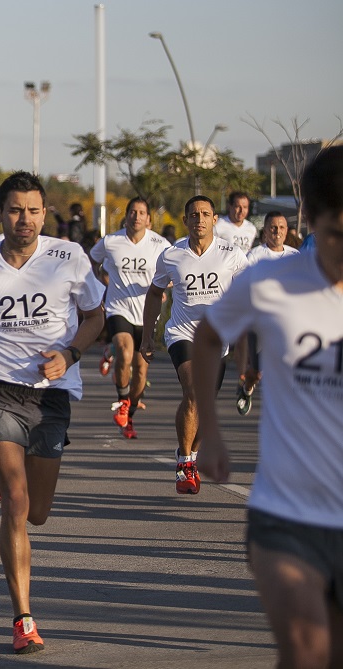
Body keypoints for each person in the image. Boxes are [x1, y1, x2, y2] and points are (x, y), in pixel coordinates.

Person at [0, 172, 104, 654]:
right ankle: (23, 618)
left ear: (45, 212)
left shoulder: (68, 257)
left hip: (52, 392)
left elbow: (95, 316)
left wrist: (69, 355)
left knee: (39, 513)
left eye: (33, 210)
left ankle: (13, 487)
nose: (25, 219)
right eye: (15, 210)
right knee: (16, 501)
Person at [193, 145, 343, 669]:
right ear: (310, 221)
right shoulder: (270, 282)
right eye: (336, 236)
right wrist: (209, 431)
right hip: (287, 513)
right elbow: (208, 338)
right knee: (306, 651)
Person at [140, 195, 247, 495]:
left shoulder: (232, 254)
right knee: (195, 393)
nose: (199, 219)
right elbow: (154, 293)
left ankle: (190, 454)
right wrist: (148, 335)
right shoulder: (171, 256)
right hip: (182, 334)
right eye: (193, 214)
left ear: (215, 219)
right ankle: (185, 463)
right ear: (185, 220)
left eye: (205, 214)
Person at [88, 197, 171, 438]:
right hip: (118, 307)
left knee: (141, 372)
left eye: (141, 212)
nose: (136, 216)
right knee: (124, 351)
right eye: (132, 212)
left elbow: (173, 269)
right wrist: (101, 284)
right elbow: (92, 261)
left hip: (147, 314)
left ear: (148, 219)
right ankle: (123, 401)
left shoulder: (160, 244)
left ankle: (130, 415)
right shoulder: (111, 242)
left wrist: (163, 288)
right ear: (126, 216)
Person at [235, 211, 301, 415]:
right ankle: (246, 389)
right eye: (273, 227)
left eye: (281, 227)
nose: (277, 231)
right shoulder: (255, 256)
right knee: (257, 372)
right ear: (266, 231)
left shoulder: (294, 255)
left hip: (286, 322)